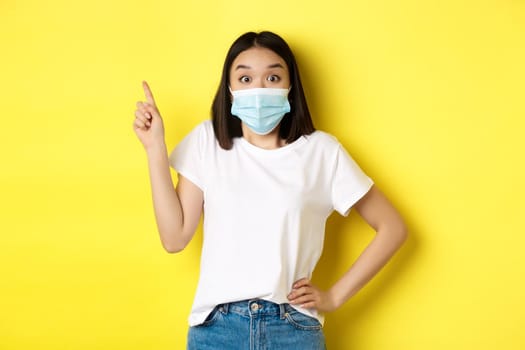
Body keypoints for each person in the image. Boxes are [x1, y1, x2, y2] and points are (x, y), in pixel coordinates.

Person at [133, 31, 407, 350]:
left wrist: (333, 296)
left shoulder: (322, 152)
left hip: (292, 329)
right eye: (246, 78)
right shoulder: (207, 142)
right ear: (230, 89)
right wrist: (155, 148)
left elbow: (392, 228)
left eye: (273, 77)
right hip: (218, 331)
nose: (259, 89)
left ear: (290, 88)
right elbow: (175, 237)